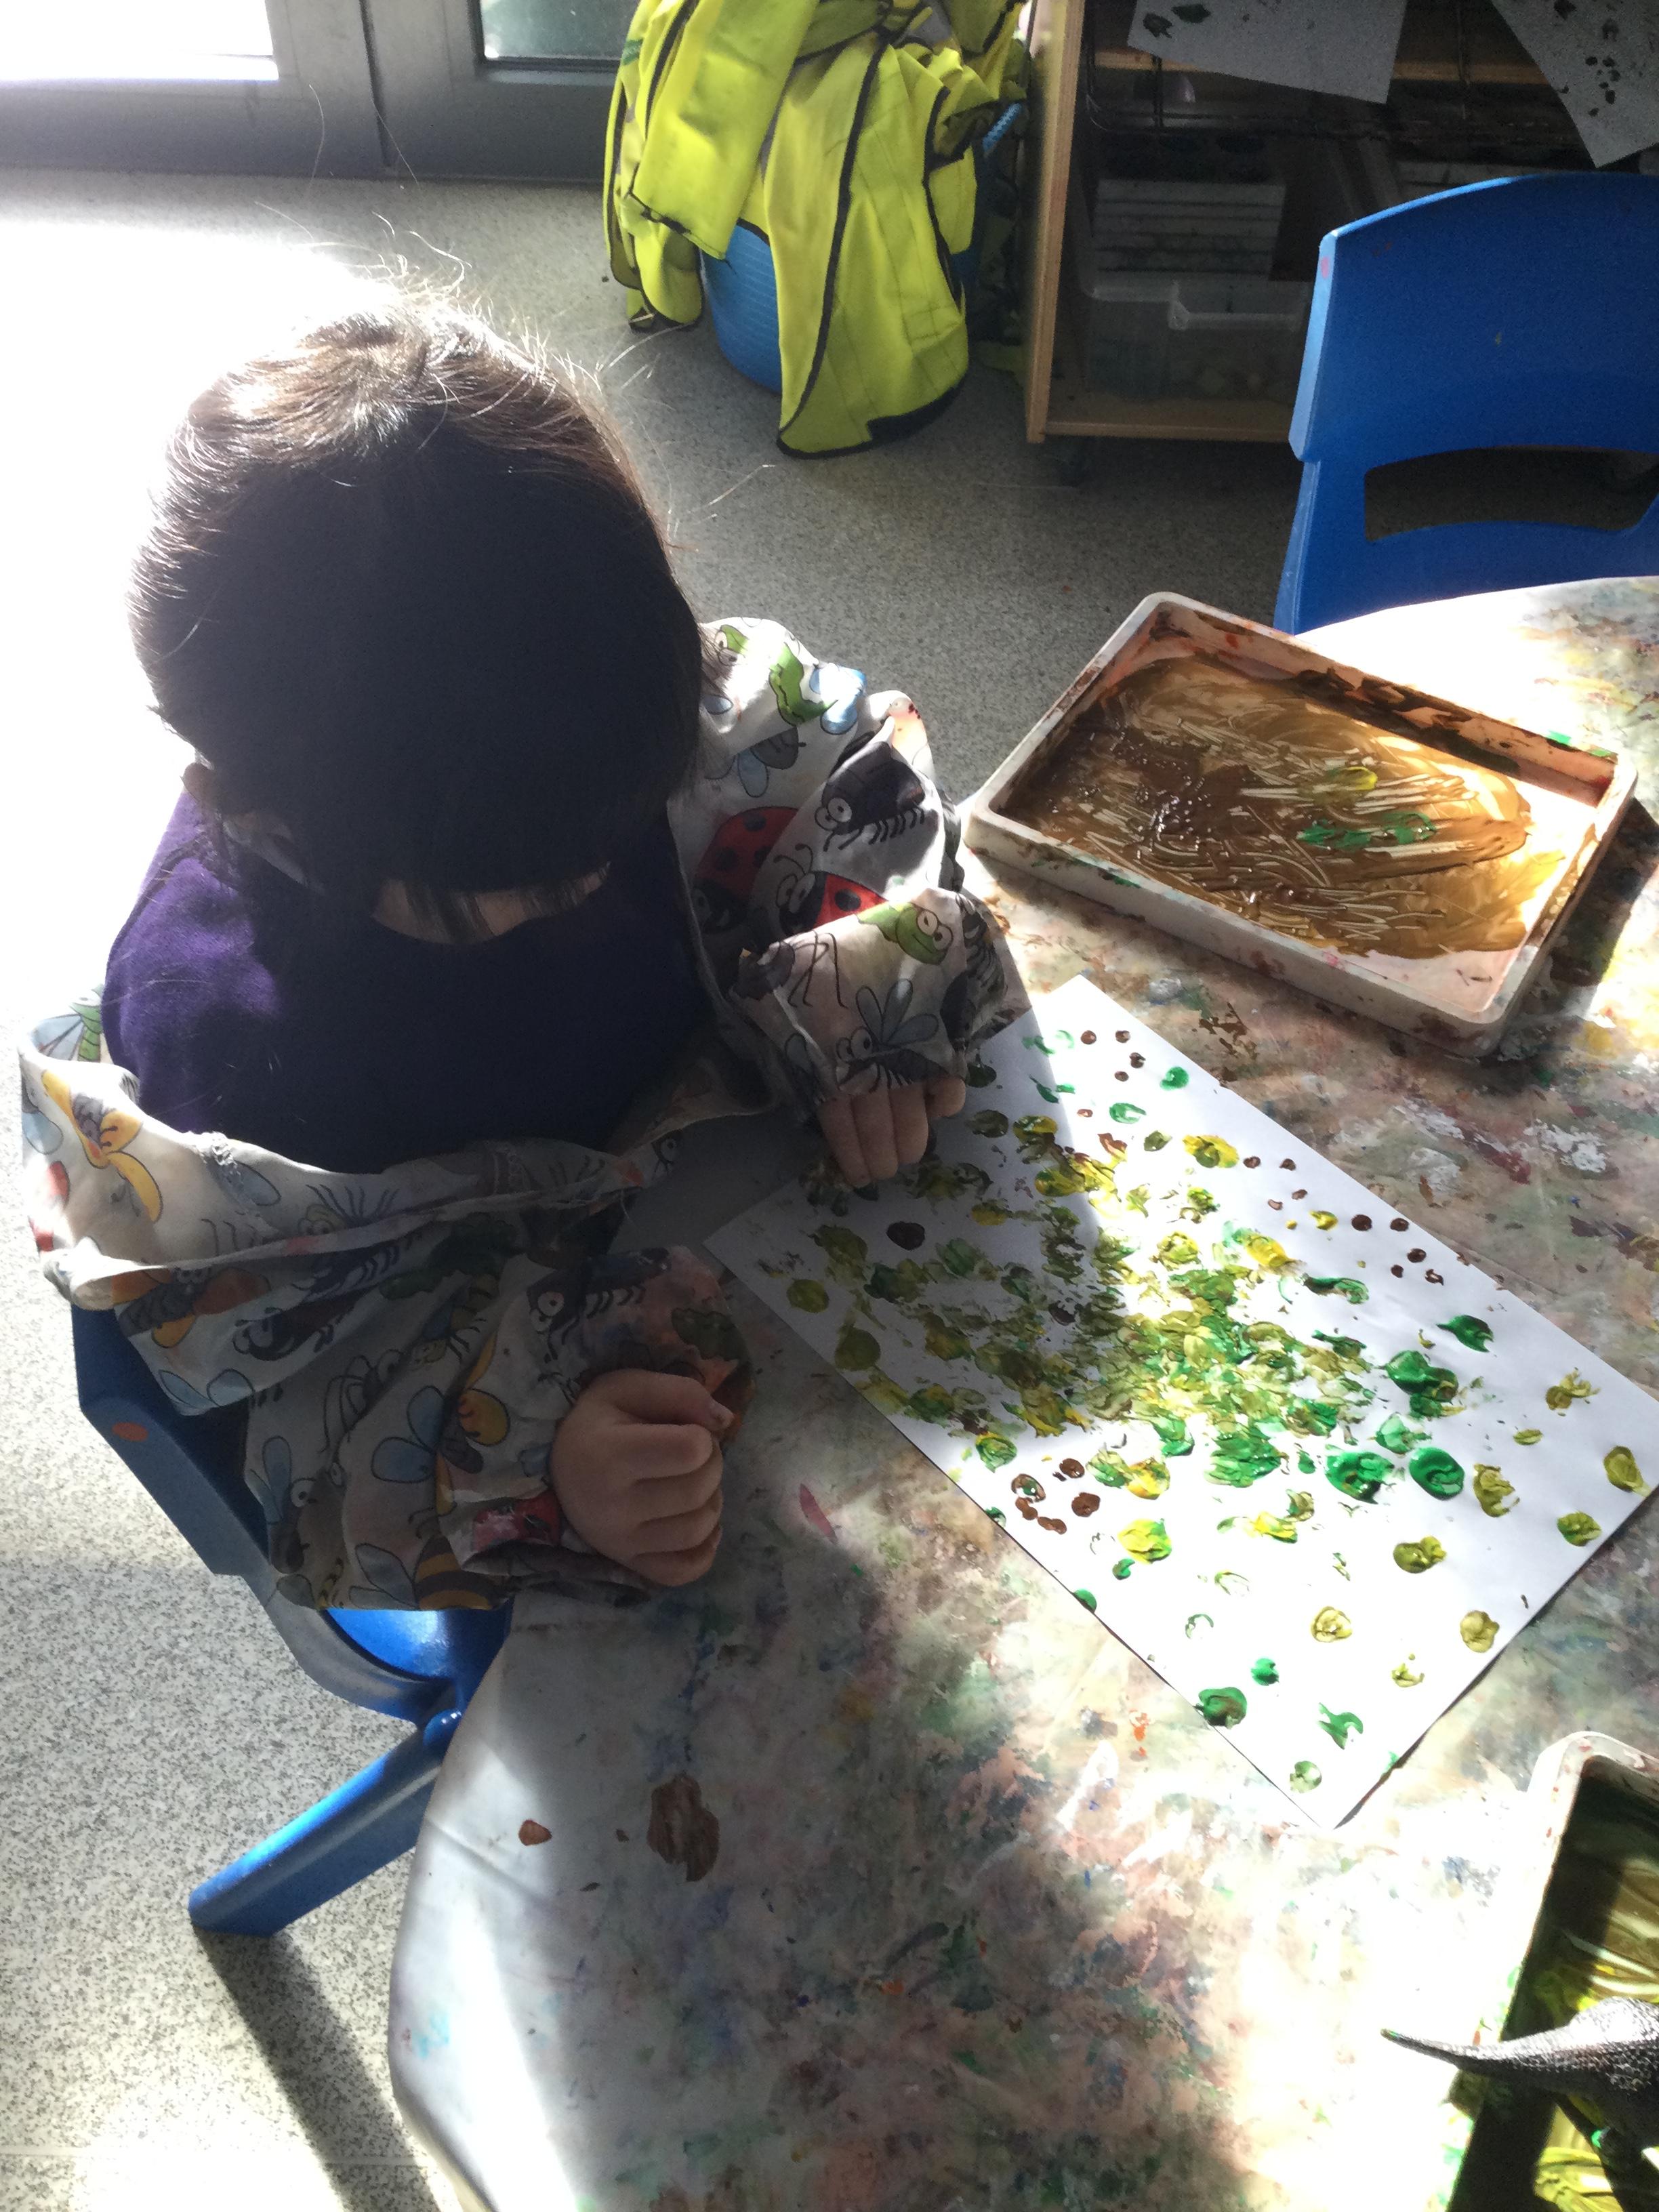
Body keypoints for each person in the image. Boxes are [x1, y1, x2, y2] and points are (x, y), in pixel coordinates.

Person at [21, 299, 1021, 1612]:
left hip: (736, 1211)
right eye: (511, 886)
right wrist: (542, 1454)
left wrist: (871, 975)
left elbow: (838, 766)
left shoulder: (587, 706)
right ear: (252, 812)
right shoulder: (229, 1051)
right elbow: (293, 1409)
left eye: (615, 825)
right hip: (534, 1388)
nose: (589, 879)